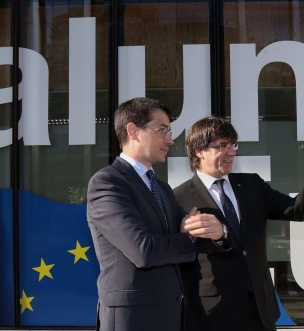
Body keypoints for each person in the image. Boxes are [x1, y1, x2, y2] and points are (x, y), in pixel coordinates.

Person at [173, 116, 304, 331]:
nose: (231, 152)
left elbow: (296, 209)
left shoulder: (252, 184)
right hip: (212, 312)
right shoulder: (179, 198)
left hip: (260, 308)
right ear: (199, 151)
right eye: (222, 146)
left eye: (233, 145)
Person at [87, 98, 226, 331]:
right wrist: (187, 237)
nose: (170, 140)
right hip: (133, 319)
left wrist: (215, 231)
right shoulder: (107, 183)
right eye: (163, 130)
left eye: (170, 132)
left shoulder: (161, 188)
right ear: (133, 131)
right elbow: (143, 251)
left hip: (170, 314)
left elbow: (188, 232)